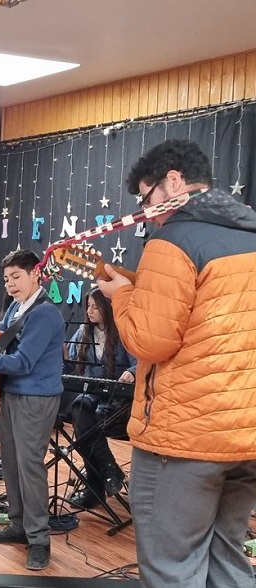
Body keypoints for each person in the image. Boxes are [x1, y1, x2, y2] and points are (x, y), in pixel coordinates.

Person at [95, 139, 256, 588]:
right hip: (246, 434)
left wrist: (121, 294)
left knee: (171, 569)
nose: (147, 211)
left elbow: (150, 340)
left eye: (147, 199)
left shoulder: (173, 241)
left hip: (184, 440)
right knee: (228, 560)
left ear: (174, 182)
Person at [0, 249, 64, 571]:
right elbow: (2, 344)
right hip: (12, 395)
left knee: (30, 467)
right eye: (6, 279)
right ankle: (19, 524)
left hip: (36, 399)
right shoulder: (15, 307)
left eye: (16, 277)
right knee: (10, 463)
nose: (10, 284)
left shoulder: (44, 313)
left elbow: (24, 362)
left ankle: (39, 540)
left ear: (36, 274)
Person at [63, 288, 136, 510]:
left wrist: (133, 371)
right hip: (92, 395)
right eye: (88, 306)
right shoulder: (84, 332)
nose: (90, 311)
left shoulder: (123, 332)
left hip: (118, 401)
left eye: (95, 306)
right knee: (79, 407)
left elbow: (143, 360)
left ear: (107, 308)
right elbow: (70, 358)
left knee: (85, 425)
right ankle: (109, 469)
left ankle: (95, 488)